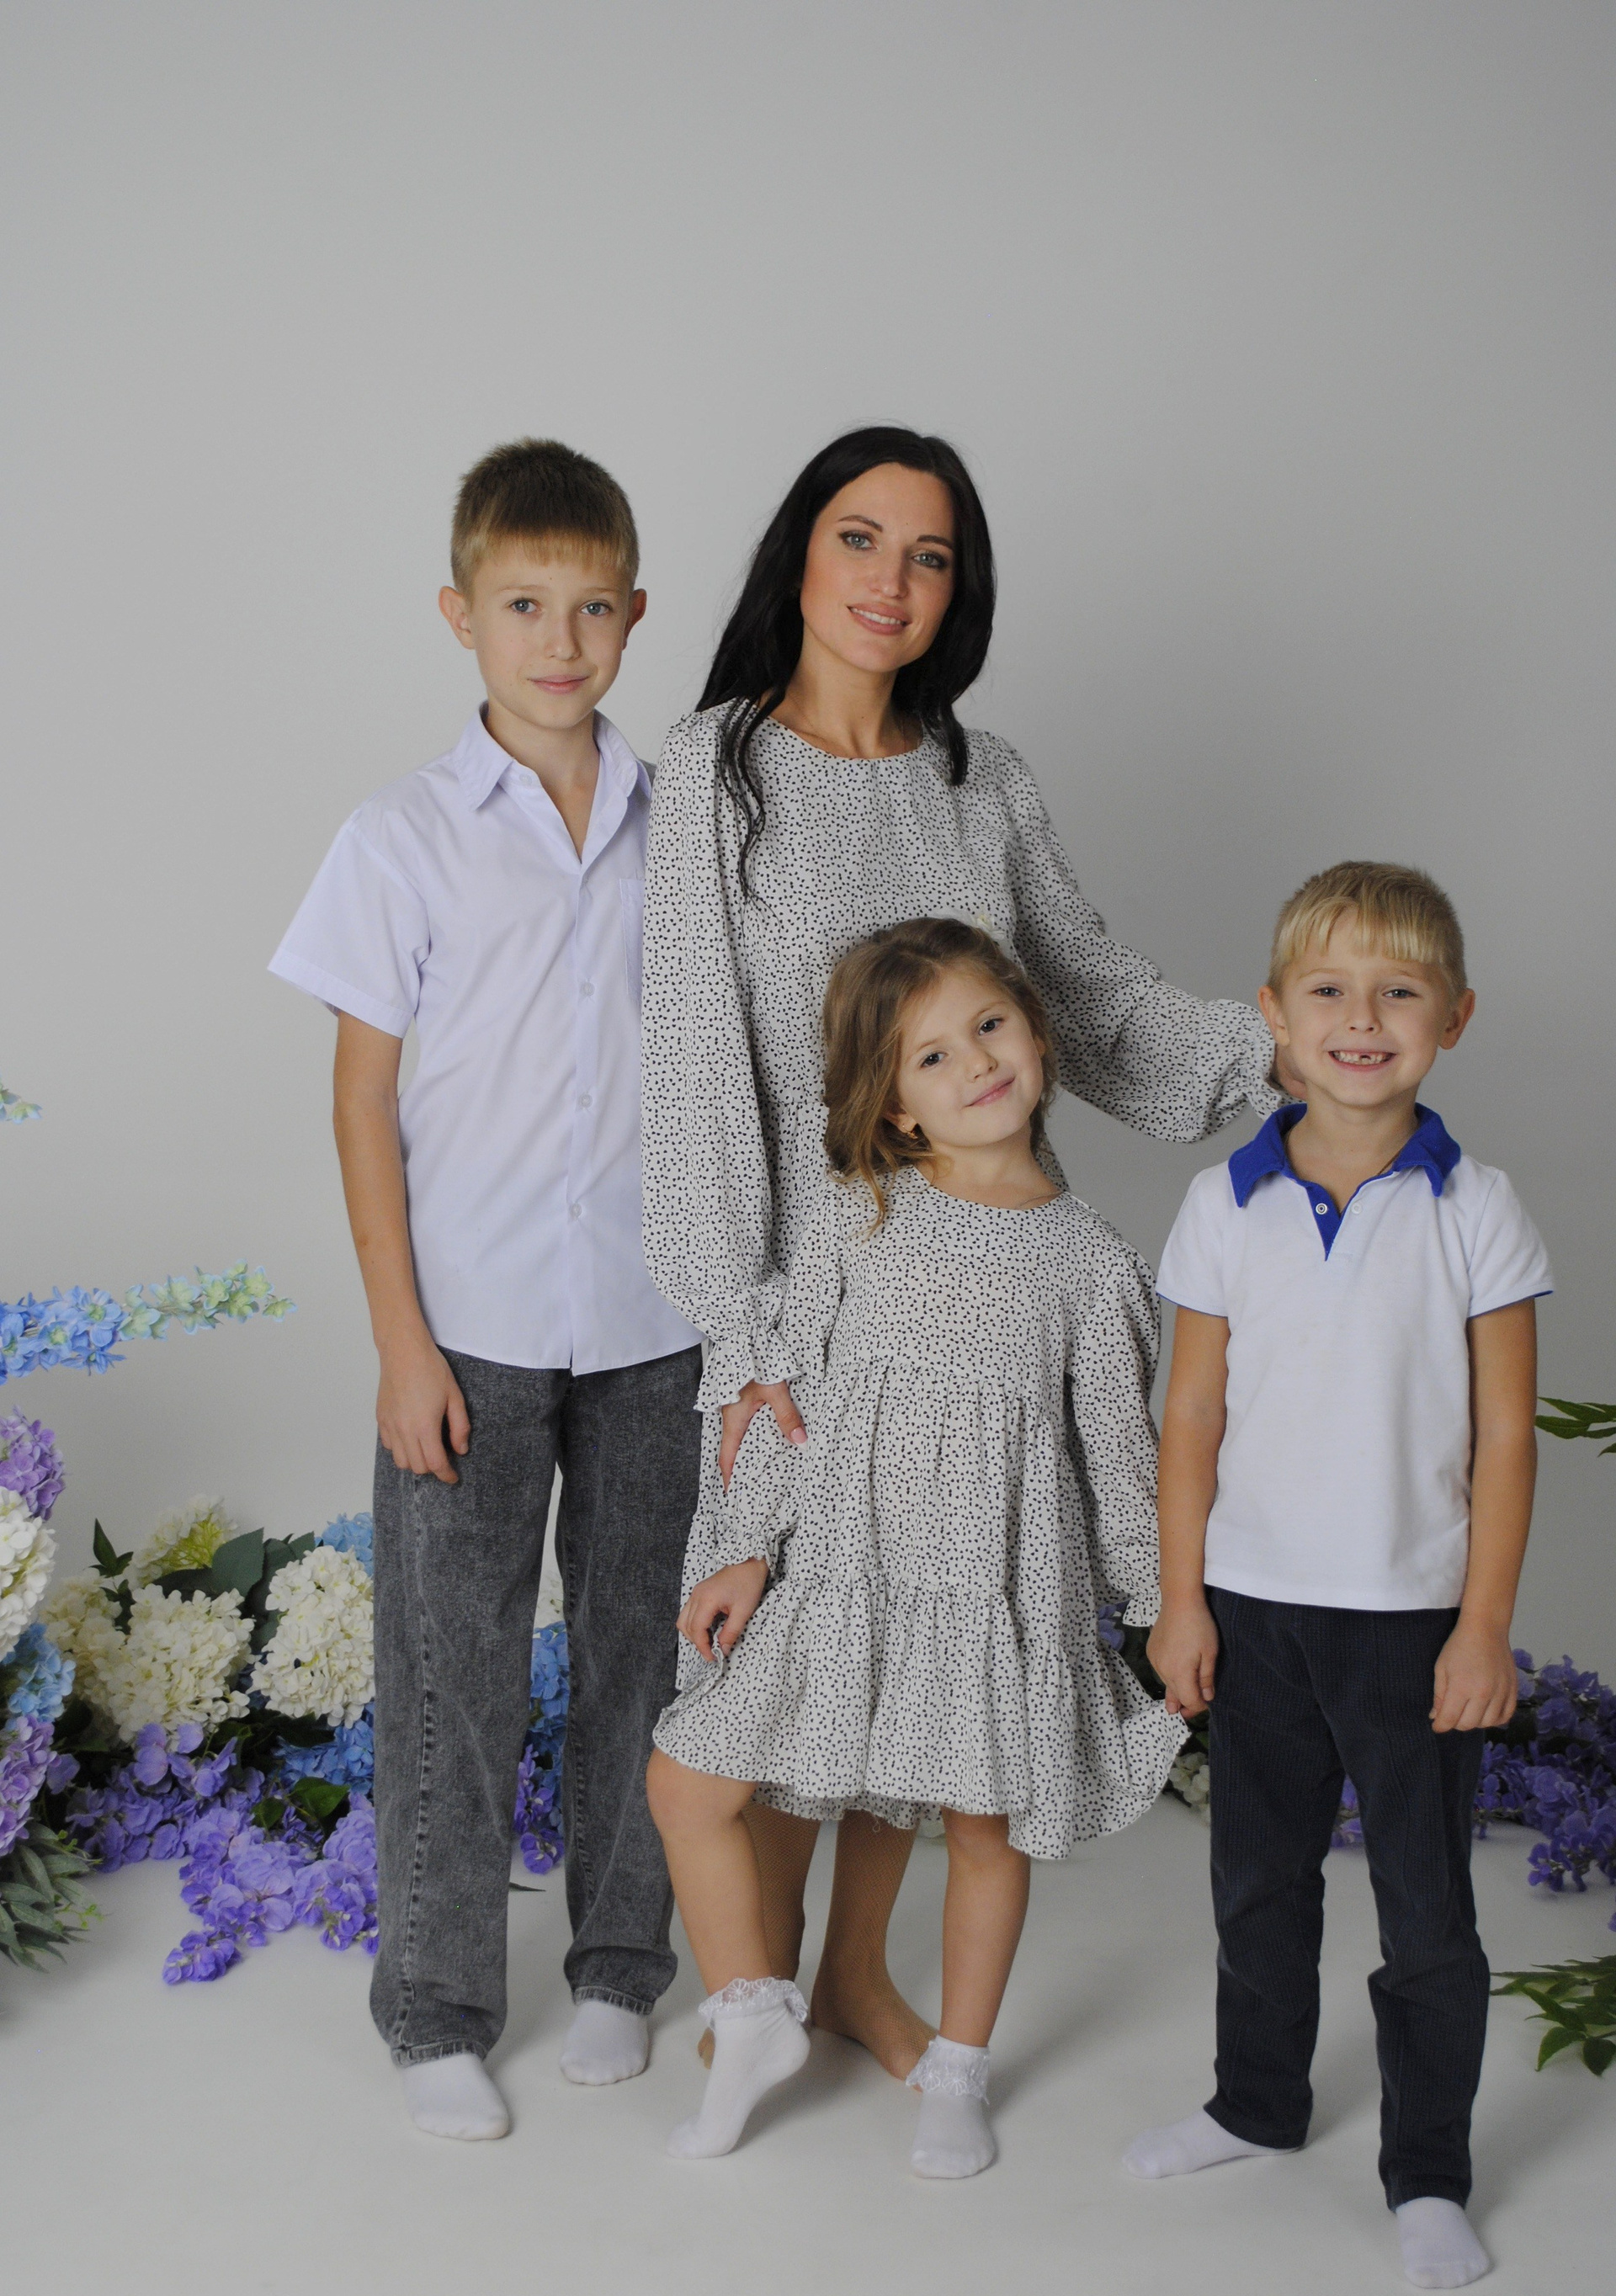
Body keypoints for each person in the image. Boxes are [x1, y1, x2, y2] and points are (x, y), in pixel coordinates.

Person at [641, 423, 1285, 2081]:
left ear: (959, 590)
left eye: (929, 556)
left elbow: (1090, 1000)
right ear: (801, 554)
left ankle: (855, 1980)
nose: (891, 581)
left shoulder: (982, 782)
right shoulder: (716, 769)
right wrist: (741, 1337)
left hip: (981, 1292)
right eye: (861, 539)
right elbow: (699, 1067)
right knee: (791, 1654)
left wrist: (1280, 1046)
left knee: (929, 1649)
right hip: (810, 1298)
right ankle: (753, 1999)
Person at [269, 439, 702, 2140]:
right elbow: (360, 1104)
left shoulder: (689, 827)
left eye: (591, 608)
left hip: (659, 1327)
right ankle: (437, 2006)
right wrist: (402, 1343)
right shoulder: (401, 839)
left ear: (634, 615)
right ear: (460, 616)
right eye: (524, 606)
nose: (559, 641)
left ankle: (621, 1966)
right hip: (468, 1334)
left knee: (641, 1658)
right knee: (452, 1673)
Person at [646, 918, 1183, 2170]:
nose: (975, 1064)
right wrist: (750, 1547)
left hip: (995, 1594)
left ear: (1037, 1034)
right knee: (688, 1783)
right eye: (931, 1057)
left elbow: (1120, 1457)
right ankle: (752, 2012)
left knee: (983, 1831)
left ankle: (958, 2070)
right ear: (894, 1106)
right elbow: (793, 1399)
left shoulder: (1094, 1265)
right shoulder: (859, 1215)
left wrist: (1162, 1611)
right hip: (847, 1576)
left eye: (990, 1027)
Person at [1123, 861, 1550, 2290]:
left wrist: (1483, 1625)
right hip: (1252, 1613)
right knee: (1259, 1881)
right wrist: (1182, 1600)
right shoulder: (1222, 1204)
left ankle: (1429, 2171)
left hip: (1413, 1622)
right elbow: (1191, 1415)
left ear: (1454, 1018)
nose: (1362, 1020)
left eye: (1399, 992)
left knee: (1426, 1914)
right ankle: (1256, 2103)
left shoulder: (1478, 1208)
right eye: (1329, 991)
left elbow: (1505, 1436)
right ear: (1275, 1016)